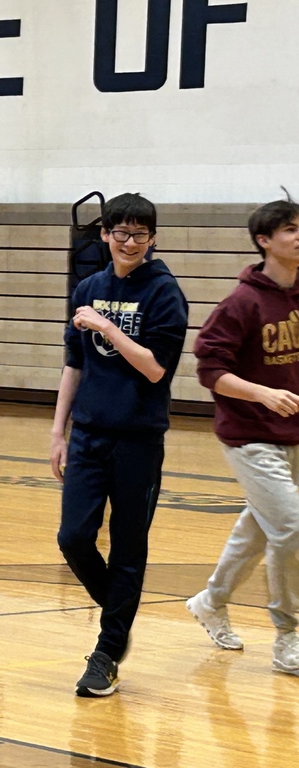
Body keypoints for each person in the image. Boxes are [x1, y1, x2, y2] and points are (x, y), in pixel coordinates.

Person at [50, 193, 188, 697]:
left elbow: (155, 368)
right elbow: (75, 364)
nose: (129, 243)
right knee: (73, 538)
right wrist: (57, 430)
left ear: (153, 238)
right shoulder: (88, 286)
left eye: (140, 235)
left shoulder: (164, 292)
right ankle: (119, 620)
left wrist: (107, 325)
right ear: (105, 234)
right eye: (120, 233)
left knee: (128, 549)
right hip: (87, 433)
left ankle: (106, 653)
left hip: (138, 439)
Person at [186, 197, 299, 675]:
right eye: (292, 229)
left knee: (261, 529)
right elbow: (209, 370)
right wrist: (262, 393)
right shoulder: (242, 302)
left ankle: (211, 600)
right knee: (292, 528)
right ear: (264, 240)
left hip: (294, 432)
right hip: (250, 435)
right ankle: (289, 635)